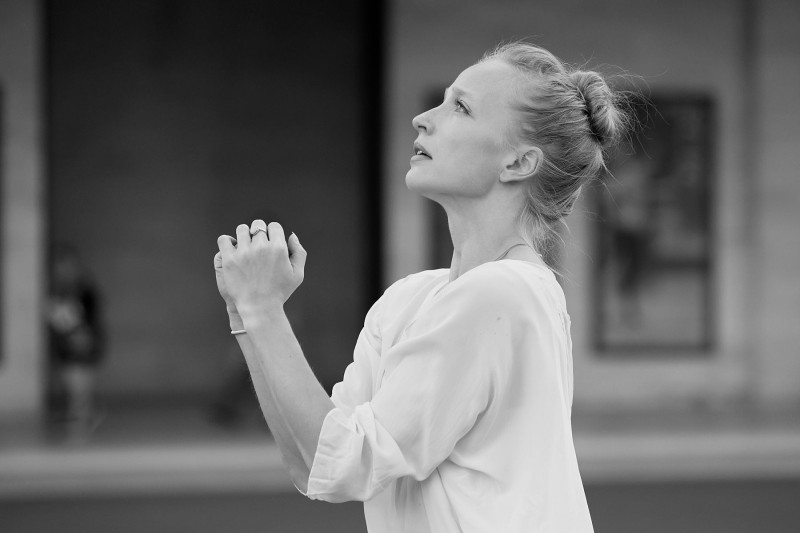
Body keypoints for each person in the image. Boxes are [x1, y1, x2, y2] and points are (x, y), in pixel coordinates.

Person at [214, 41, 627, 532]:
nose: (423, 119)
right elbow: (319, 462)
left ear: (518, 163)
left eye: (461, 107)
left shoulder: (502, 294)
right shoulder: (413, 298)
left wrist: (263, 310)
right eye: (443, 99)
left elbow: (345, 461)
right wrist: (251, 312)